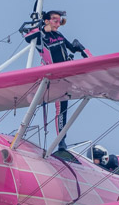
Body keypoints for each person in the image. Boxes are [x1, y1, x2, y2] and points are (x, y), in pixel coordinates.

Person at [29, 10, 89, 151]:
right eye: (55, 20)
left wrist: (79, 48)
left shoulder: (59, 35)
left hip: (64, 76)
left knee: (63, 110)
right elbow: (28, 37)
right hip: (51, 77)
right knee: (59, 109)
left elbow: (71, 47)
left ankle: (62, 142)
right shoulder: (41, 36)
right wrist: (43, 28)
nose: (58, 24)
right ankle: (61, 142)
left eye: (60, 21)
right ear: (47, 20)